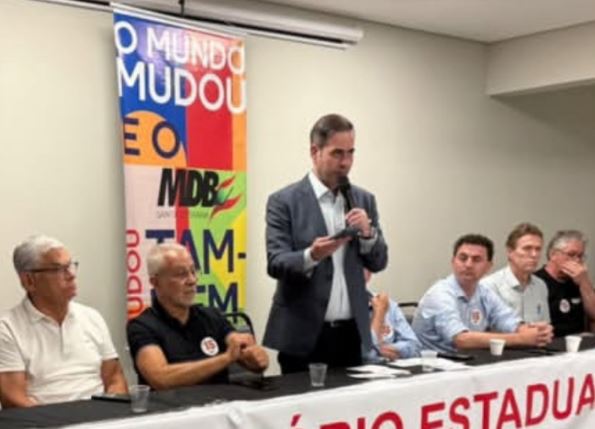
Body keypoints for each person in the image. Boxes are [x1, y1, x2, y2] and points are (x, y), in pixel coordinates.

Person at [263, 113, 388, 373]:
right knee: (302, 400)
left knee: (352, 400)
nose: (345, 162)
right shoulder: (284, 201)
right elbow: (276, 262)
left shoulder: (363, 200)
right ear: (315, 151)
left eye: (351, 153)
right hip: (303, 335)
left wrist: (368, 233)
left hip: (350, 335)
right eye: (337, 153)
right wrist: (312, 255)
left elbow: (379, 262)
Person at [0, 235, 127, 407]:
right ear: (29, 281)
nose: (71, 275)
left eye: (71, 266)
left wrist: (108, 412)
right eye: (58, 269)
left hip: (99, 415)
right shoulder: (7, 328)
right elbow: (13, 398)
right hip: (44, 418)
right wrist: (63, 420)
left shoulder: (92, 317)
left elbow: (115, 378)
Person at [127, 243, 268, 390]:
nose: (192, 280)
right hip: (173, 404)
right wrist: (225, 359)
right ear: (155, 282)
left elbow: (240, 349)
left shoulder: (211, 316)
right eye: (181, 274)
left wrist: (255, 357)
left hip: (223, 401)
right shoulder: (142, 326)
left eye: (193, 271)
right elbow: (161, 379)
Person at [411, 234, 553, 353]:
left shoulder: (484, 292)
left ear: (488, 266)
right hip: (431, 368)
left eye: (476, 259)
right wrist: (521, 338)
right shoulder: (440, 294)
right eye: (463, 258)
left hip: (466, 363)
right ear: (453, 262)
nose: (468, 264)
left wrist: (534, 331)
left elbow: (507, 319)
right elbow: (461, 339)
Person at [483, 223, 551, 323]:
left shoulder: (540, 285)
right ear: (510, 252)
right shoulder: (489, 286)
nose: (534, 254)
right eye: (527, 248)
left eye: (538, 249)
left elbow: (545, 323)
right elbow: (483, 329)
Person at [535, 230, 595, 336]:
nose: (577, 261)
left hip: (579, 341)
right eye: (571, 255)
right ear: (553, 254)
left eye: (580, 256)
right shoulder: (536, 282)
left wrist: (584, 282)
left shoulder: (579, 280)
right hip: (551, 341)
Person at [367, 291, 421, 361]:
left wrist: (395, 349)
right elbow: (366, 355)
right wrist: (379, 313)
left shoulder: (385, 302)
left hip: (390, 366)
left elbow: (415, 346)